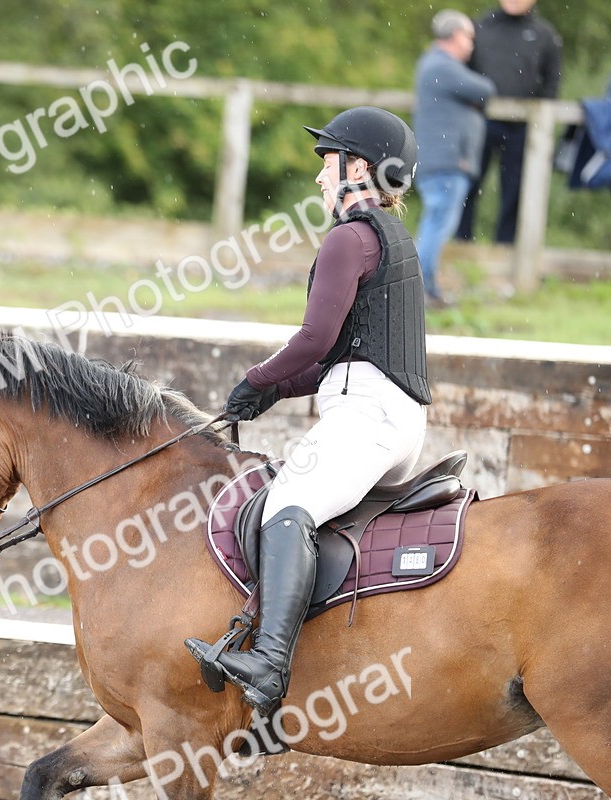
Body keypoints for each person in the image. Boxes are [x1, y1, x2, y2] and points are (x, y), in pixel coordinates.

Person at [185, 107, 432, 717]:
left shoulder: (349, 237)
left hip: (367, 419)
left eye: (328, 165)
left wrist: (255, 375)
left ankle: (268, 663)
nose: (321, 180)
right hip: (390, 417)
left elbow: (315, 338)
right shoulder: (390, 237)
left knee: (284, 507)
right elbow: (343, 357)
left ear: (359, 167)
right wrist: (272, 392)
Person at [455, 0, 563, 244]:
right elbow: (461, 73)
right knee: (467, 184)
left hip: (523, 128)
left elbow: (552, 82)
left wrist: (538, 121)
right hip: (478, 123)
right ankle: (459, 244)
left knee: (515, 192)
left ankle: (506, 248)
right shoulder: (479, 27)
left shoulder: (545, 35)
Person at [414, 10, 496, 305]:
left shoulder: (436, 66)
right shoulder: (442, 67)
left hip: (444, 163)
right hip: (445, 164)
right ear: (453, 35)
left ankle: (422, 286)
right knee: (437, 224)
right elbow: (485, 89)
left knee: (436, 222)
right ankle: (421, 287)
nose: (472, 44)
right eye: (468, 36)